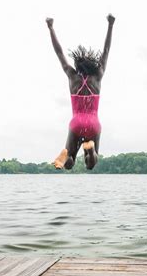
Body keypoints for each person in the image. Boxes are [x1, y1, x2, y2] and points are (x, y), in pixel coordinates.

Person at [46, 14, 115, 170]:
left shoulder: (72, 76)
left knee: (69, 162)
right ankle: (90, 150)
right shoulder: (97, 75)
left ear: (77, 64)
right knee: (91, 164)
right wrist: (110, 25)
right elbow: (106, 50)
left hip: (76, 122)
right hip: (93, 123)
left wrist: (51, 28)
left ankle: (66, 155)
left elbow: (59, 53)